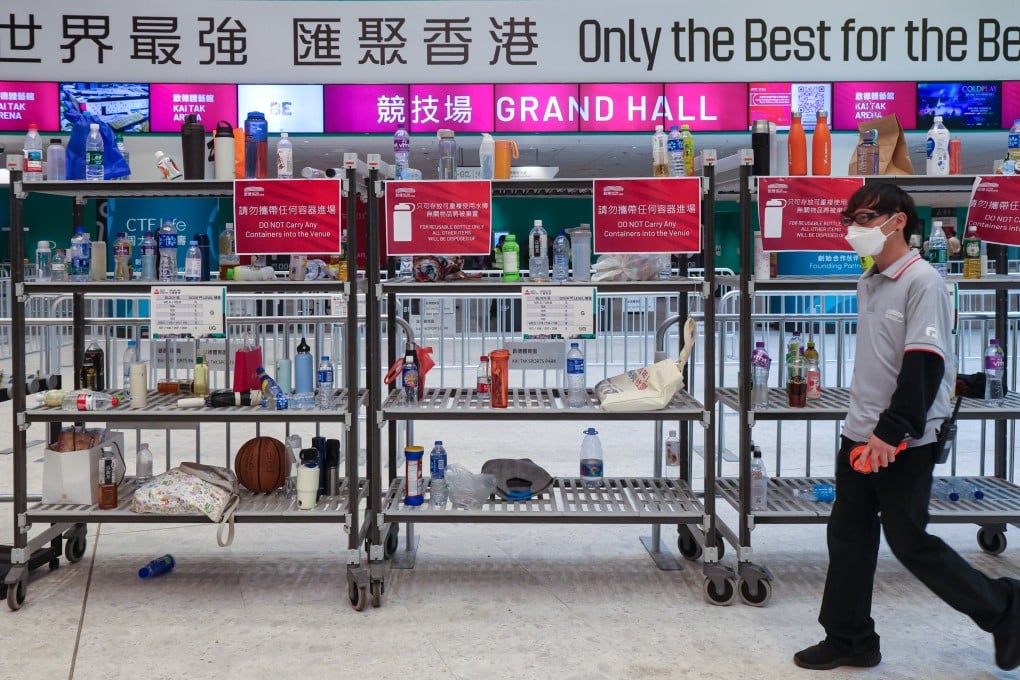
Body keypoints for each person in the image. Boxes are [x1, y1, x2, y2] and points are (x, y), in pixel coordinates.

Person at [794, 183, 1020, 672]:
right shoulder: (871, 280)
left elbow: (925, 362)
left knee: (910, 540)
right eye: (850, 219)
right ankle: (850, 637)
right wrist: (866, 428)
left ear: (898, 221)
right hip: (861, 431)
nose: (854, 228)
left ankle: (1005, 608)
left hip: (903, 440)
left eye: (865, 218)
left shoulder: (923, 281)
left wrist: (892, 430)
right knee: (849, 536)